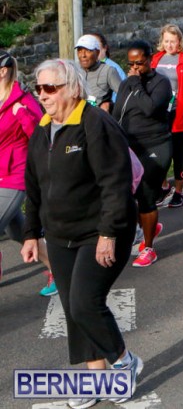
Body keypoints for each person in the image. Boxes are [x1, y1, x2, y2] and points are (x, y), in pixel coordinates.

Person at [22, 59, 142, 408]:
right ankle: (94, 381)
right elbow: (33, 186)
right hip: (61, 233)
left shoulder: (95, 123)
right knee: (73, 309)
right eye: (38, 88)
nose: (42, 95)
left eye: (50, 88)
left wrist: (109, 233)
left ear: (73, 88)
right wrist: (30, 233)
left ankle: (124, 361)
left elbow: (115, 183)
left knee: (84, 303)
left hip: (100, 231)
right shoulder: (43, 128)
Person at [113, 40, 173, 267]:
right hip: (131, 145)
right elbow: (118, 113)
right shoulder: (126, 83)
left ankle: (148, 248)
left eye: (139, 63)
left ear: (150, 59)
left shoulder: (161, 83)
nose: (135, 68)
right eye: (131, 64)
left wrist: (137, 83)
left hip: (156, 145)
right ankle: (149, 226)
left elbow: (150, 108)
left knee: (146, 194)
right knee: (130, 195)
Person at [0, 50, 54, 293]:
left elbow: (40, 137)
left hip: (15, 175)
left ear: (3, 71)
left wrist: (22, 114)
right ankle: (59, 271)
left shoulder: (22, 100)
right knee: (20, 233)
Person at [152, 24, 183, 208]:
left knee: (177, 153)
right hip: (160, 114)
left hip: (180, 114)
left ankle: (179, 191)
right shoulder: (156, 59)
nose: (169, 45)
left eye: (173, 41)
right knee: (160, 153)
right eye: (166, 41)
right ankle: (164, 186)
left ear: (179, 41)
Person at [74, 34, 121, 112]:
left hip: (98, 115)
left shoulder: (108, 70)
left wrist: (110, 106)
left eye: (88, 50)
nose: (83, 55)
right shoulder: (74, 70)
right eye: (79, 50)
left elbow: (125, 97)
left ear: (97, 52)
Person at [89, 32, 126, 103]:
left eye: (96, 47)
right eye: (90, 48)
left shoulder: (112, 68)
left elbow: (121, 95)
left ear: (105, 48)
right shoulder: (85, 68)